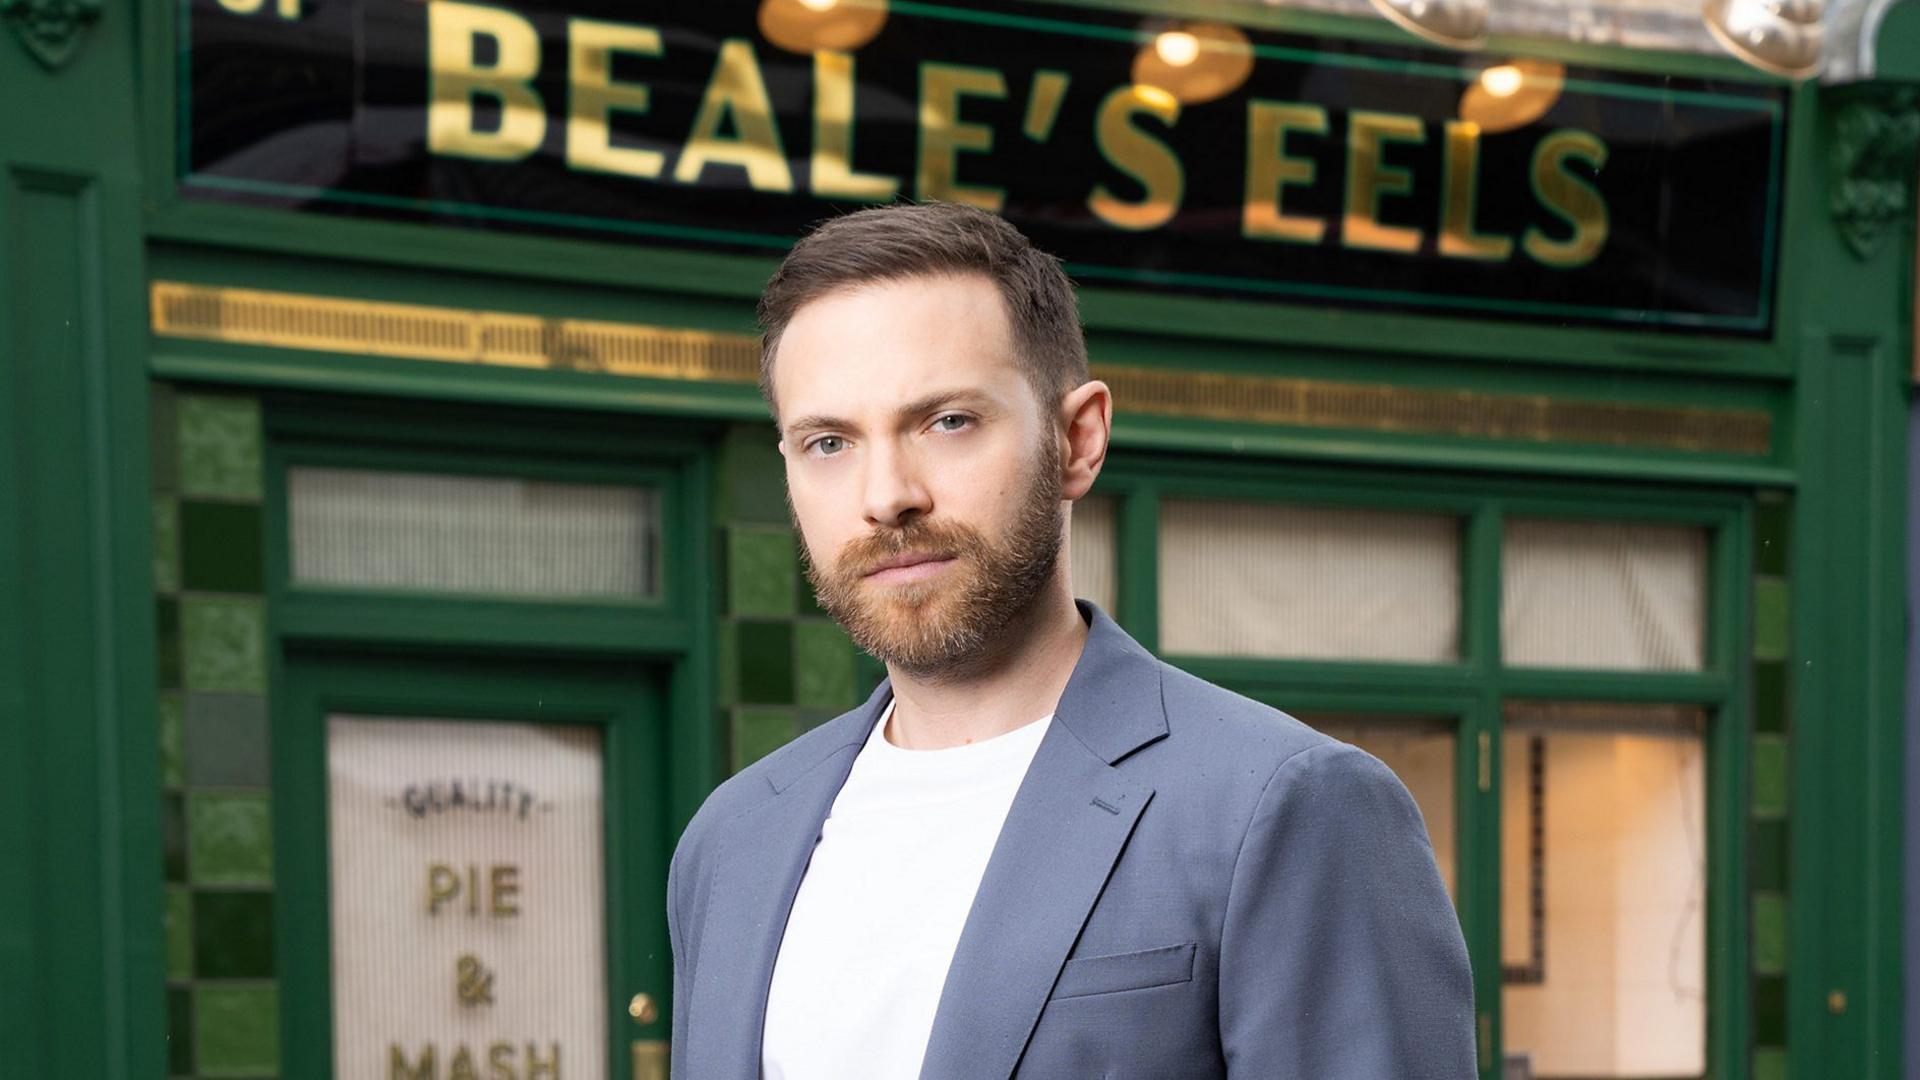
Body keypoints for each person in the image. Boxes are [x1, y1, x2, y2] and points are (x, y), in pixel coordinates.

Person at [666, 201, 1476, 1079]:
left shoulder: (1285, 807)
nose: (886, 494)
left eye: (947, 422)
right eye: (829, 441)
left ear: (1078, 440)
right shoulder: (732, 840)